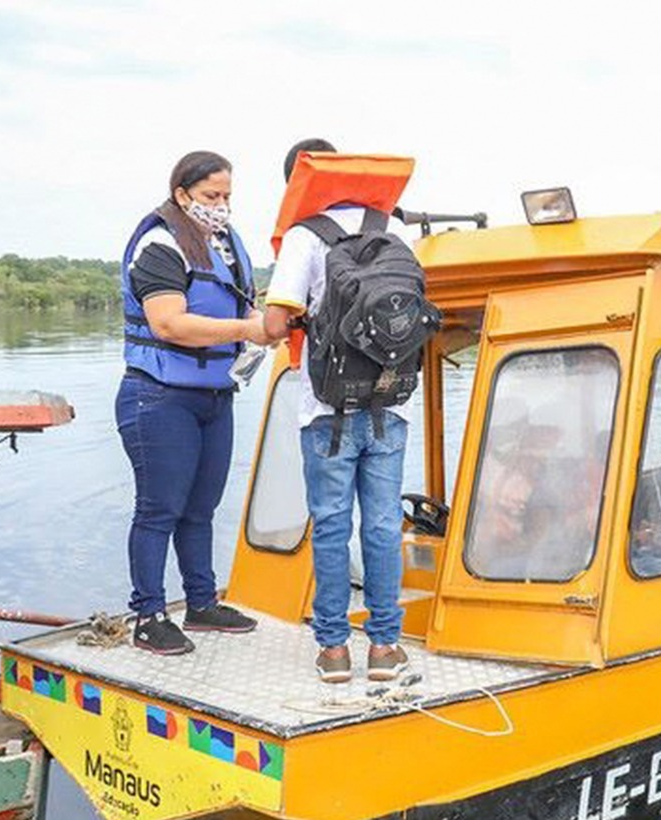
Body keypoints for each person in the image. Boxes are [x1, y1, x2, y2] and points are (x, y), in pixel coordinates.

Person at [262, 138, 411, 684]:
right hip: (389, 404)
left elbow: (277, 326)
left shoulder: (305, 236)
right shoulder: (392, 229)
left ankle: (333, 652)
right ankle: (385, 647)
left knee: (331, 528)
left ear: (297, 183)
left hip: (324, 409)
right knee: (381, 525)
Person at [117, 150, 268, 655]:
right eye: (210, 196)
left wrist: (268, 320)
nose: (220, 206)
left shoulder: (224, 245)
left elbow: (246, 303)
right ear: (182, 194)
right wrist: (248, 329)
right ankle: (149, 615)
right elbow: (168, 323)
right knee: (159, 508)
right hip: (158, 398)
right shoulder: (161, 245)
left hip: (213, 396)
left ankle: (201, 602)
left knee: (201, 507)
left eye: (227, 196)